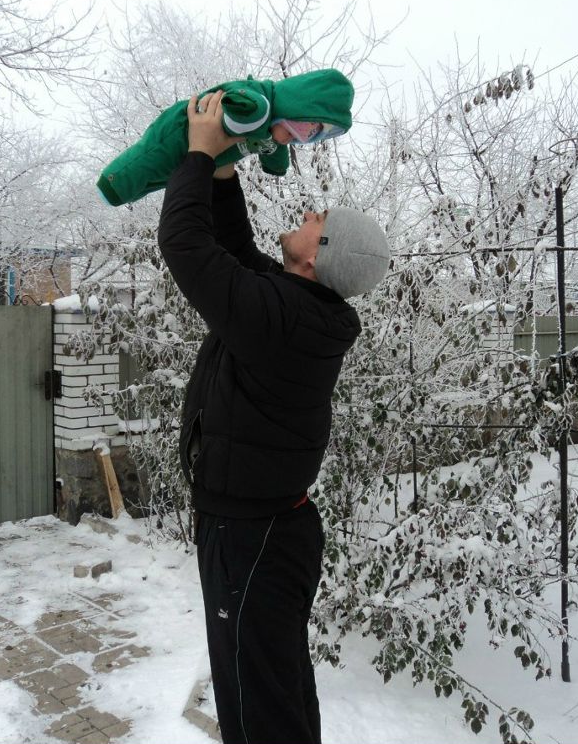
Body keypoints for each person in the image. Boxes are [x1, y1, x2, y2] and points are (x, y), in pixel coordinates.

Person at [156, 90, 390, 744]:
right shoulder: (294, 307)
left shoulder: (282, 319)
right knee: (272, 685)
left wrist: (200, 154)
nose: (309, 211)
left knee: (254, 700)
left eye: (320, 219)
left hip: (251, 537)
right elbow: (233, 250)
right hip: (266, 530)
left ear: (318, 256)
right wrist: (226, 170)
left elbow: (186, 245)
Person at [97, 68, 354, 206]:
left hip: (201, 158)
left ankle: (125, 196)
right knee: (150, 159)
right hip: (179, 132)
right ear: (292, 106)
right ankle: (112, 183)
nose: (290, 140)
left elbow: (272, 150)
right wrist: (247, 110)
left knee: (163, 180)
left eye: (303, 138)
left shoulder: (272, 134)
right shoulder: (261, 103)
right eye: (294, 130)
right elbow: (237, 99)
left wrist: (277, 167)